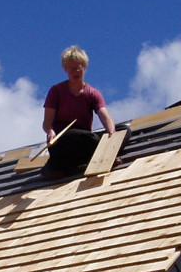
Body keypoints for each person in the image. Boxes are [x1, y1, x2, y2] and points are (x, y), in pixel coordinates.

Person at [41, 45, 121, 179]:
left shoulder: (92, 93)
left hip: (85, 142)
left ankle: (88, 159)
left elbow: (105, 117)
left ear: (85, 67)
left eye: (80, 67)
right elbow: (47, 122)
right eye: (72, 68)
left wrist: (111, 134)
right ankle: (57, 165)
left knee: (124, 130)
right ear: (65, 69)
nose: (76, 71)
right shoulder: (56, 91)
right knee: (88, 138)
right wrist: (50, 132)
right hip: (62, 141)